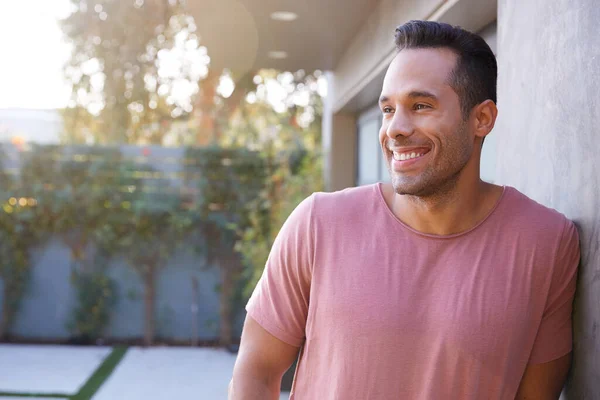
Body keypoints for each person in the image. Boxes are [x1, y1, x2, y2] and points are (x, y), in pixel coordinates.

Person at [229, 20, 580, 400]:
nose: (394, 128)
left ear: (482, 119)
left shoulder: (546, 243)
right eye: (387, 109)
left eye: (420, 106)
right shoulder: (318, 225)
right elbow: (255, 374)